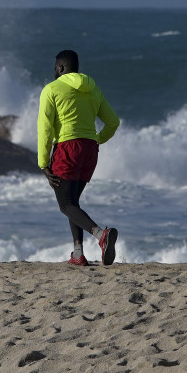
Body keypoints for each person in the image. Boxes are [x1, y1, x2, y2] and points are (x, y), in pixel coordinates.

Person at [37, 49, 120, 266]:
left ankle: (101, 235)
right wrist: (97, 140)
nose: (54, 71)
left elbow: (45, 128)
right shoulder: (93, 89)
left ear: (62, 67)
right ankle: (78, 254)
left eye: (55, 67)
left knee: (65, 204)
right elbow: (113, 122)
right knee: (73, 202)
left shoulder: (51, 89)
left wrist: (43, 163)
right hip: (90, 150)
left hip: (67, 148)